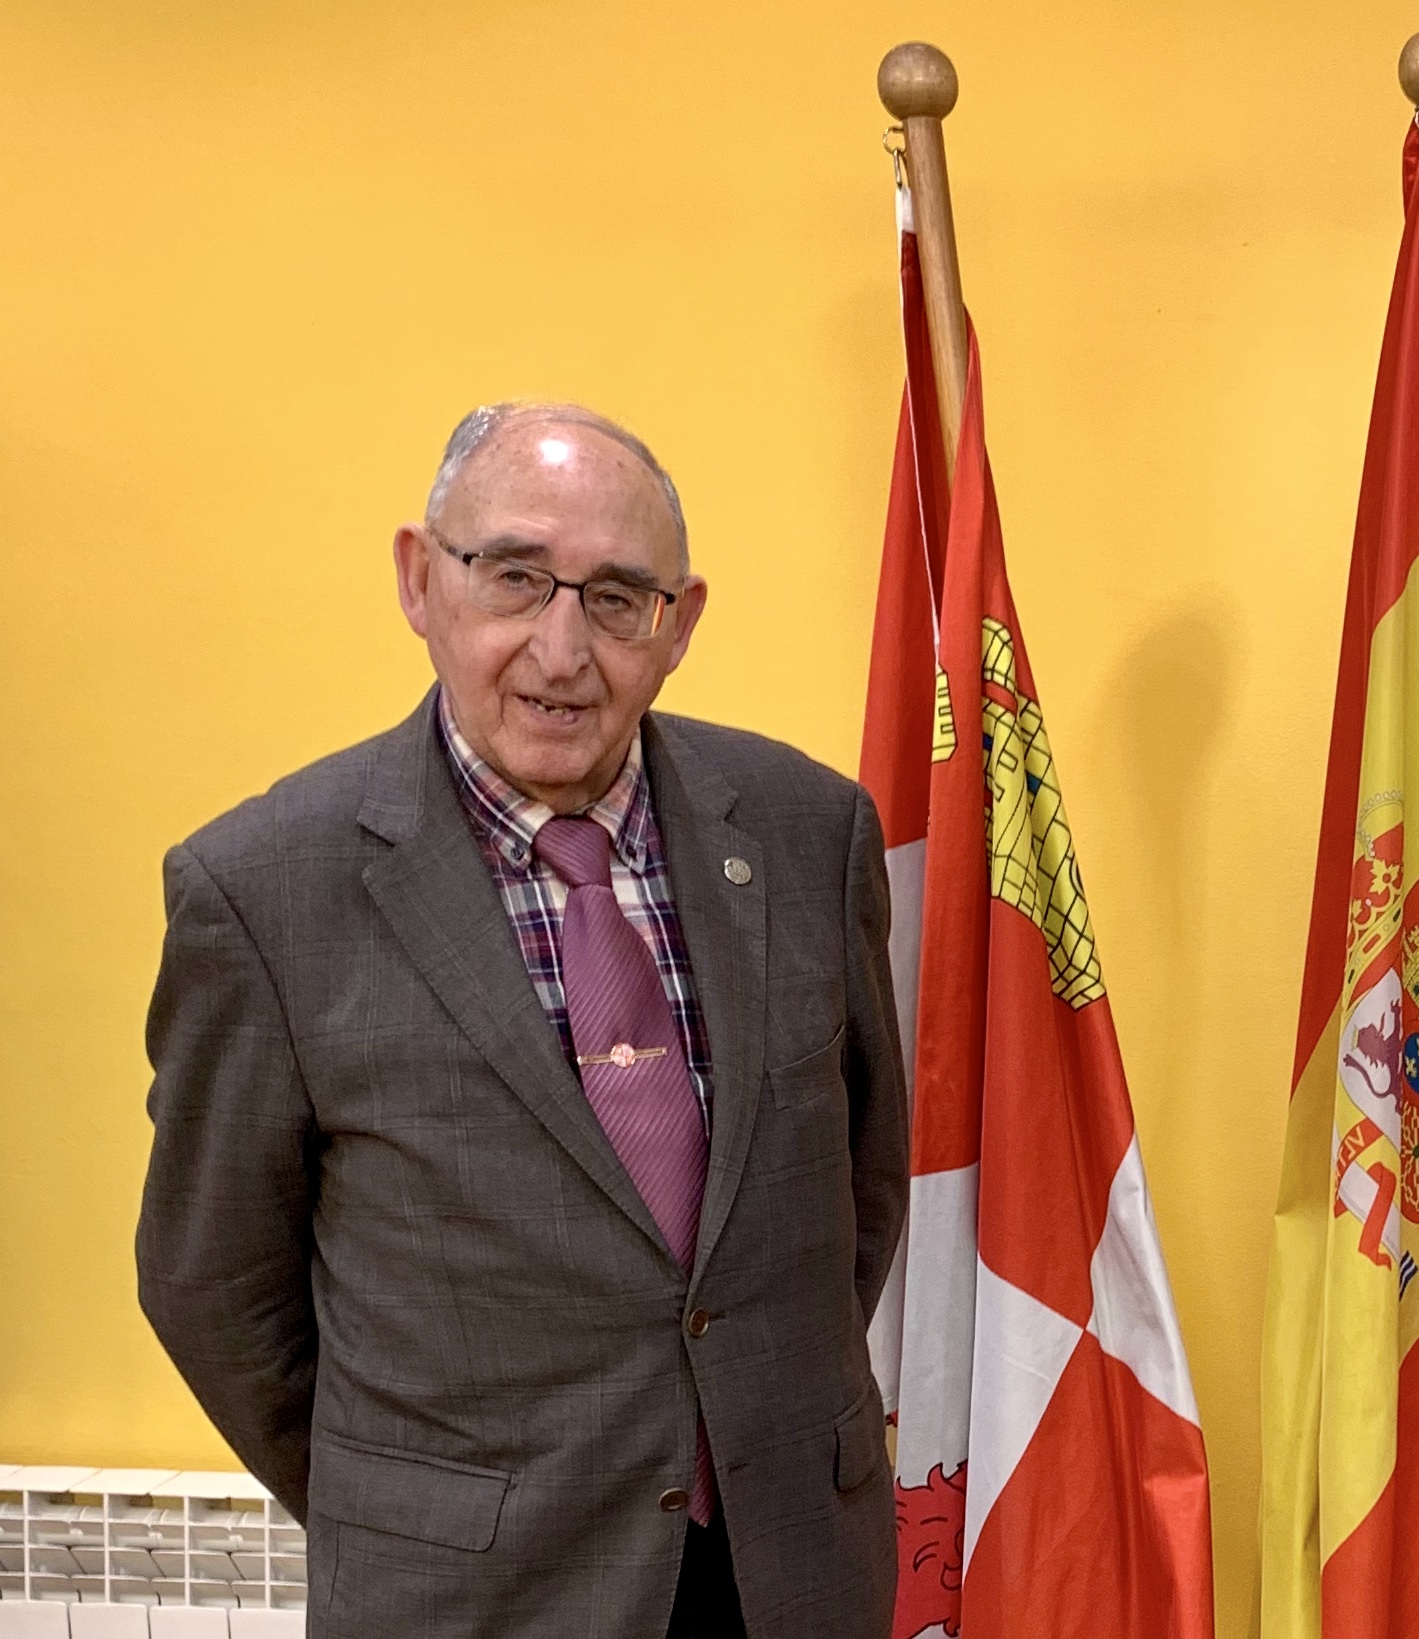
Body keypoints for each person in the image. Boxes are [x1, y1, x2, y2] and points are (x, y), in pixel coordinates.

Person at [137, 403, 909, 1639]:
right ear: (418, 580)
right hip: (472, 1595)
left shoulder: (810, 831)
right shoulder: (265, 891)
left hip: (790, 1572)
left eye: (616, 598)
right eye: (514, 579)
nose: (561, 650)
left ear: (680, 624)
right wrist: (412, 1504)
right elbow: (214, 1286)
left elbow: (857, 1192)